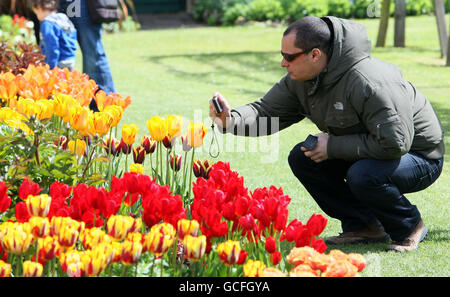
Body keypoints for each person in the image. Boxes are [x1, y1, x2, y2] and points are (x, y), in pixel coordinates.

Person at [209, 16, 445, 253]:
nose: (283, 63)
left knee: (362, 175)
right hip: (372, 152)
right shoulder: (302, 79)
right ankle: (365, 225)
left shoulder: (370, 81)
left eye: (289, 56)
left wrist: (332, 146)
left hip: (420, 157)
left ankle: (409, 226)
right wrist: (230, 120)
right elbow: (265, 111)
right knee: (303, 157)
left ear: (315, 55)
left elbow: (396, 143)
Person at [58, 0, 116, 94]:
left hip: (80, 3)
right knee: (56, 52)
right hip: (61, 3)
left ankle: (104, 103)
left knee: (93, 54)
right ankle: (55, 103)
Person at [31, 0, 77, 70]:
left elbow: (51, 47)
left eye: (36, 13)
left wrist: (51, 67)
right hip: (69, 59)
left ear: (40, 8)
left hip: (58, 62)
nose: (37, 17)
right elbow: (73, 34)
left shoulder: (47, 24)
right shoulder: (63, 17)